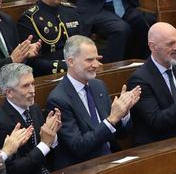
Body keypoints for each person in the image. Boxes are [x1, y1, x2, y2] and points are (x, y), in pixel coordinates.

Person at [43, 35, 139, 167]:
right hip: (83, 167)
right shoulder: (58, 99)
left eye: (96, 59)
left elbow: (119, 134)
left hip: (110, 158)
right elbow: (78, 146)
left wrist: (124, 114)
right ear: (71, 62)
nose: (96, 65)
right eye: (89, 60)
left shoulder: (98, 86)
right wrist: (111, 119)